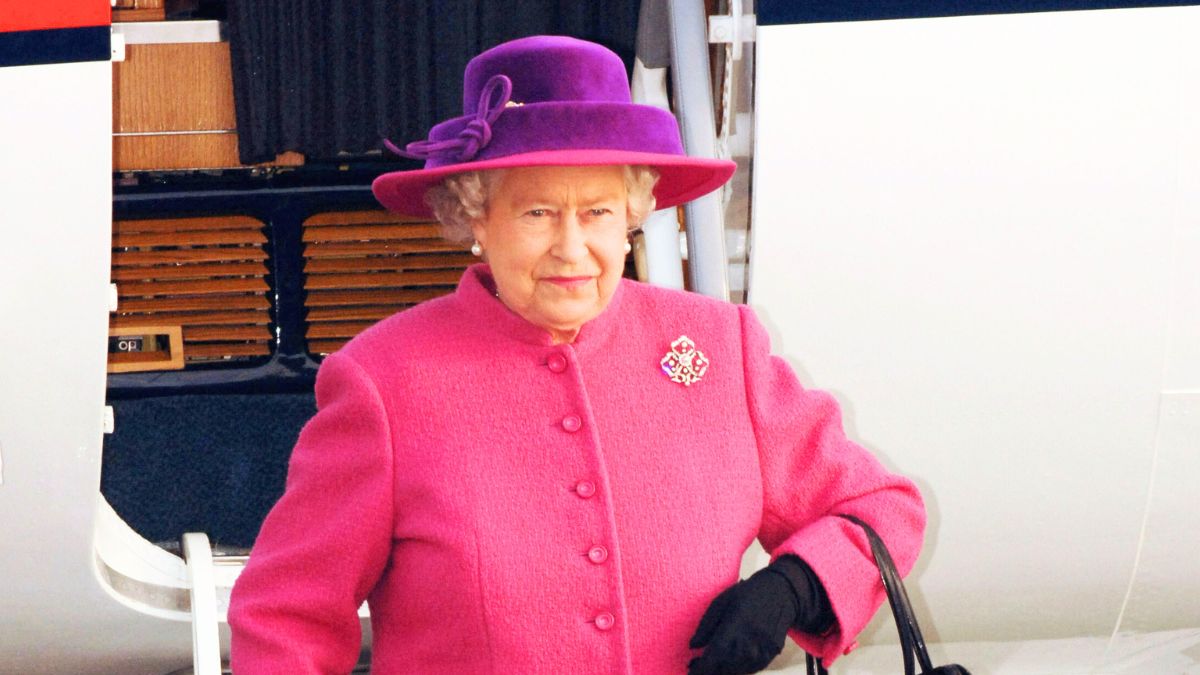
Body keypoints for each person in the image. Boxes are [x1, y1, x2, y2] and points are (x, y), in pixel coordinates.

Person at [228, 35, 925, 675]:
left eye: (596, 211)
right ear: (474, 216)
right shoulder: (384, 381)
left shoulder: (719, 348)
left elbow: (881, 508)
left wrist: (796, 584)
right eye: (537, 213)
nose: (571, 247)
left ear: (631, 214)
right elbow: (286, 617)